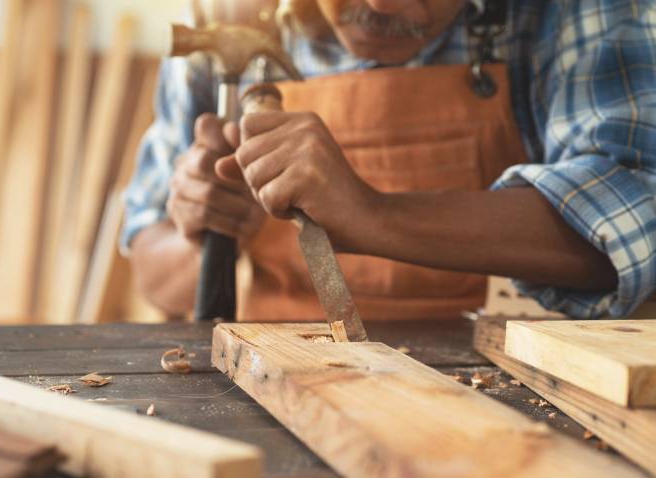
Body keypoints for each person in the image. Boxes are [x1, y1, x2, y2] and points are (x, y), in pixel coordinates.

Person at [122, 0, 656, 321]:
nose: (382, 3)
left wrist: (374, 215)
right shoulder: (231, 17)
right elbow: (151, 268)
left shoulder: (564, 10)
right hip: (278, 385)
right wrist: (207, 237)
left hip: (514, 397)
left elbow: (635, 219)